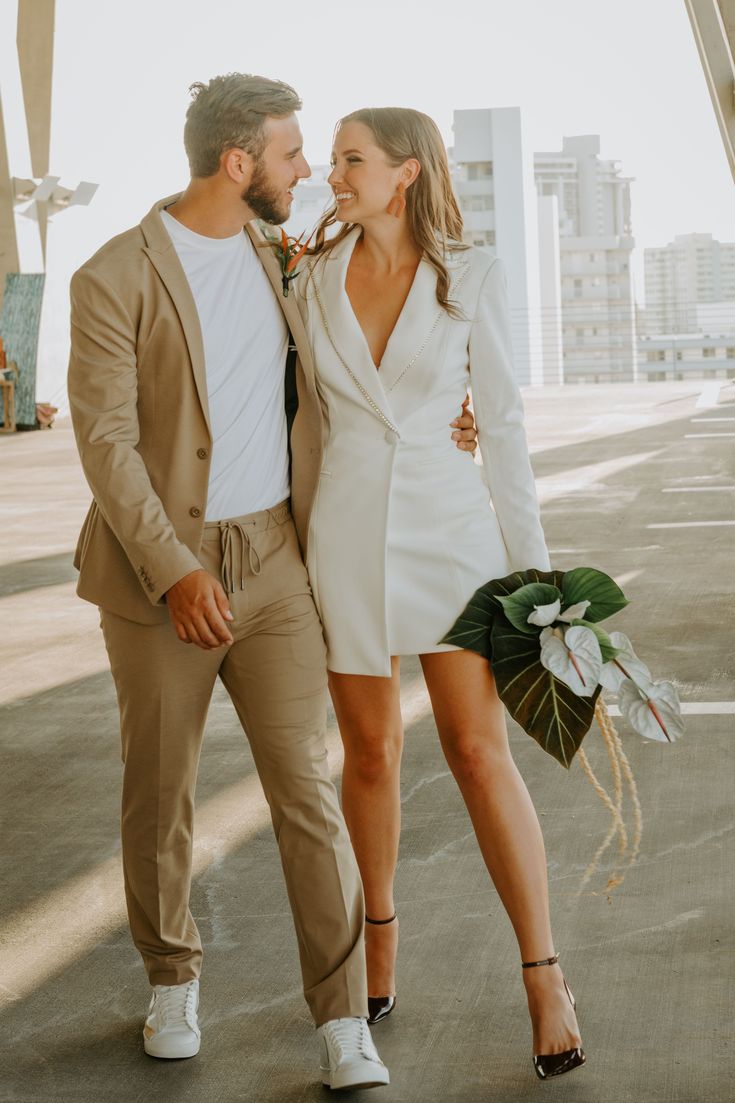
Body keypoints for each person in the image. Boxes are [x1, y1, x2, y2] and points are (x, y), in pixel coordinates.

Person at [67, 74, 476, 1090]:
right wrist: (174, 571)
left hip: (278, 562)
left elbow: (361, 360)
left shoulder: (284, 255)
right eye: (294, 154)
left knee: (307, 788)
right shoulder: (112, 276)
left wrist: (448, 421)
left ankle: (341, 1015)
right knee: (160, 787)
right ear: (238, 163)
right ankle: (171, 974)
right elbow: (107, 442)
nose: (309, 172)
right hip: (160, 568)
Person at [296, 106, 585, 1081]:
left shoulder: (473, 275)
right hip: (343, 542)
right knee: (370, 753)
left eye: (352, 159)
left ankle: (544, 972)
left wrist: (538, 577)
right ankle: (377, 936)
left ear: (406, 172)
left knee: (474, 749)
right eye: (333, 158)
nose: (336, 173)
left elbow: (499, 428)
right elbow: (301, 419)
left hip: (452, 540)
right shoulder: (311, 277)